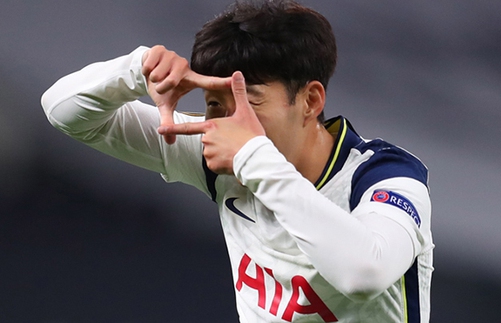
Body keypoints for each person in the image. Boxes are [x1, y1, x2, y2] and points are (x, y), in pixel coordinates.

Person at [41, 0, 433, 322]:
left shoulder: (386, 179)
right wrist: (136, 70)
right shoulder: (219, 152)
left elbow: (363, 274)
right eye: (215, 103)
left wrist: (252, 157)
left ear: (310, 101)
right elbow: (64, 111)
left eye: (251, 101)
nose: (231, 123)